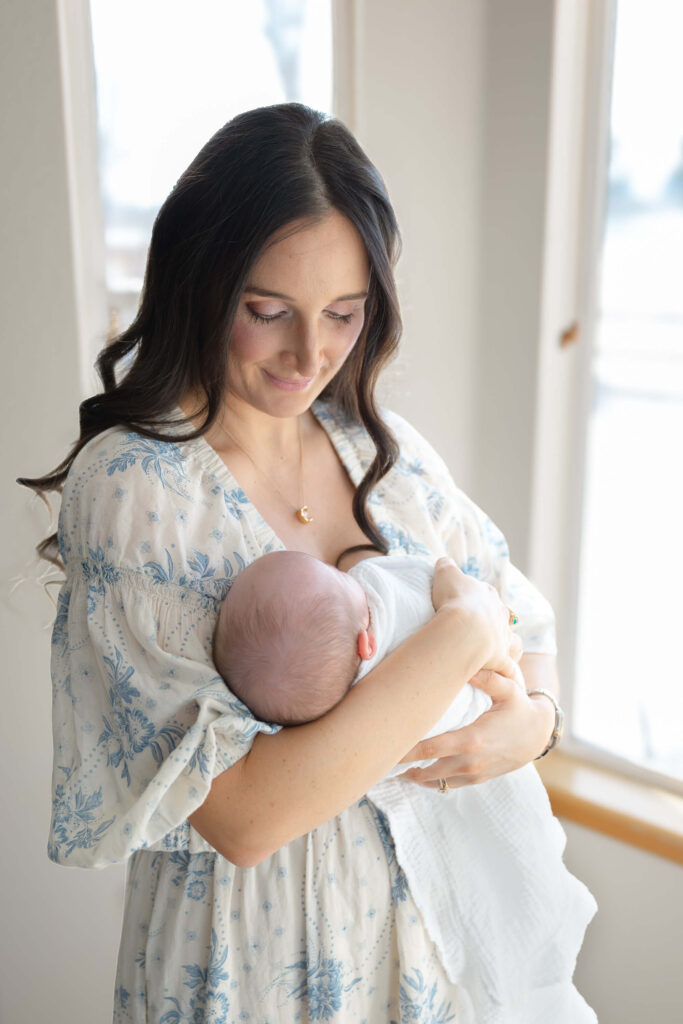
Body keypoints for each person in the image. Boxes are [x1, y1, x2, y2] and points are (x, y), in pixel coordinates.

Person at [19, 103, 597, 1022]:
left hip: (427, 956)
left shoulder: (379, 450)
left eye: (342, 314)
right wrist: (456, 639)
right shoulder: (139, 486)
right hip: (254, 961)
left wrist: (533, 723)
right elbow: (246, 818)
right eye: (267, 311)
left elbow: (522, 622)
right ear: (201, 286)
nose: (309, 353)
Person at [212, 547, 597, 1018]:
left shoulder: (422, 495)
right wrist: (470, 630)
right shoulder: (391, 600)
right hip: (294, 959)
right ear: (367, 645)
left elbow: (530, 629)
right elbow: (243, 824)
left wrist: (541, 721)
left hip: (401, 962)